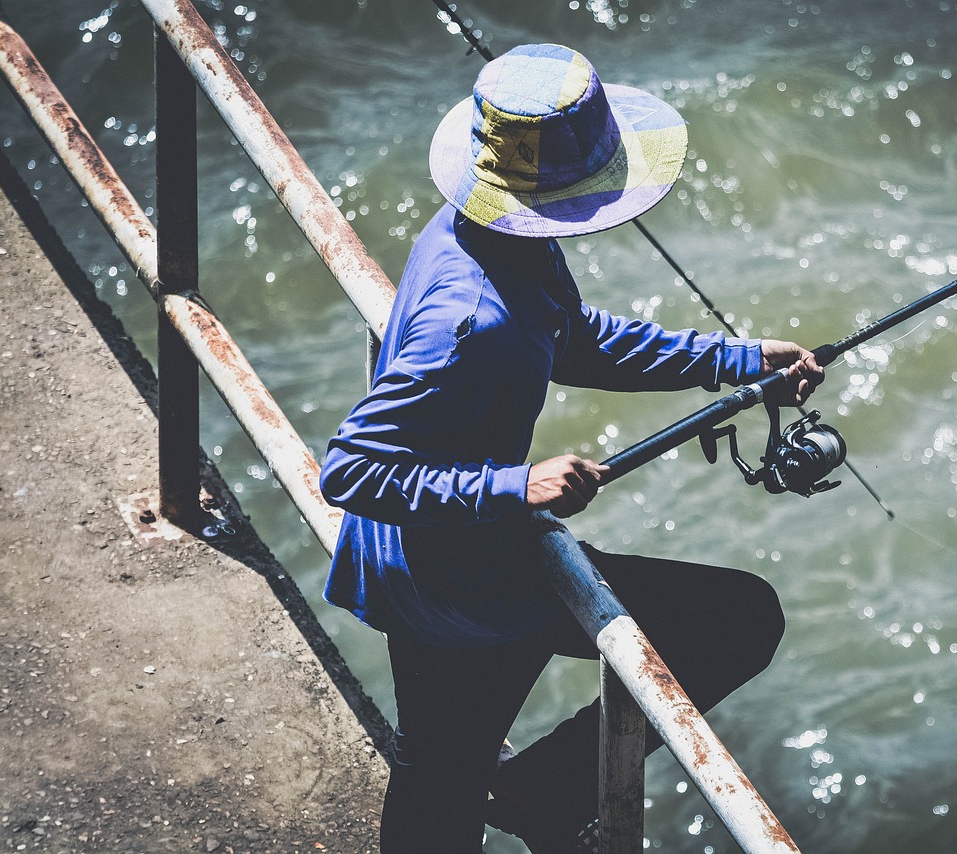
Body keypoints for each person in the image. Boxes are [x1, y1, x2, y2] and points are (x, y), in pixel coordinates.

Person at [319, 43, 823, 852]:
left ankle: (533, 789)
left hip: (426, 550)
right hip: (460, 576)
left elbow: (573, 336)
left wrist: (733, 360)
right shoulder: (467, 322)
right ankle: (541, 791)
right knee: (739, 619)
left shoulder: (482, 232)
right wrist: (514, 488)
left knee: (439, 771)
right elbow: (351, 467)